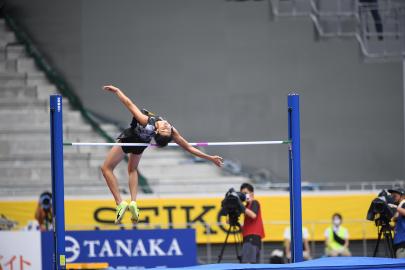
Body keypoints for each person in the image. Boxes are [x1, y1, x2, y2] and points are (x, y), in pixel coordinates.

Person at [101, 85, 224, 224]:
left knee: (106, 168)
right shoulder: (172, 129)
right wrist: (210, 158)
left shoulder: (146, 121)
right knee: (133, 169)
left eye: (164, 129)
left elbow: (129, 104)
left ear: (157, 130)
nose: (166, 127)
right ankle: (134, 202)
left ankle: (120, 203)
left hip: (129, 139)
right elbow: (189, 148)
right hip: (141, 144)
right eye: (166, 129)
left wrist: (117, 91)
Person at [239, 183, 265, 263]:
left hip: (253, 237)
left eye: (245, 193)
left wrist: (241, 206)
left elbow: (253, 215)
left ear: (252, 194)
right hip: (247, 237)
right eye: (242, 194)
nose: (244, 195)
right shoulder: (246, 206)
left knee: (249, 263)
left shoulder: (254, 202)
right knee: (247, 262)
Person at [388, 188, 405, 258]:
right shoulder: (400, 206)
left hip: (403, 243)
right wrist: (389, 227)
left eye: (395, 195)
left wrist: (395, 207)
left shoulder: (403, 204)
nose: (393, 197)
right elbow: (399, 228)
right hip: (399, 242)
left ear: (403, 196)